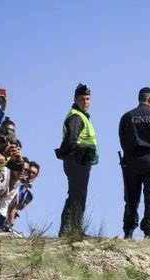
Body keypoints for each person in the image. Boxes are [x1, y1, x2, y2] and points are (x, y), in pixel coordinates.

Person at [118, 87, 150, 239]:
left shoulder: (126, 117)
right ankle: (148, 233)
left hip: (131, 162)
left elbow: (122, 140)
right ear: (149, 99)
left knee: (131, 199)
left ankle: (128, 232)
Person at [57, 83, 97, 237]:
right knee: (75, 196)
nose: (86, 102)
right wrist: (77, 154)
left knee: (79, 196)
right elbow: (71, 140)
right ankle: (68, 230)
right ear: (75, 99)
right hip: (77, 161)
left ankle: (75, 229)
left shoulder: (82, 116)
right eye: (82, 99)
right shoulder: (76, 116)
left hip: (82, 161)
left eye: (88, 99)